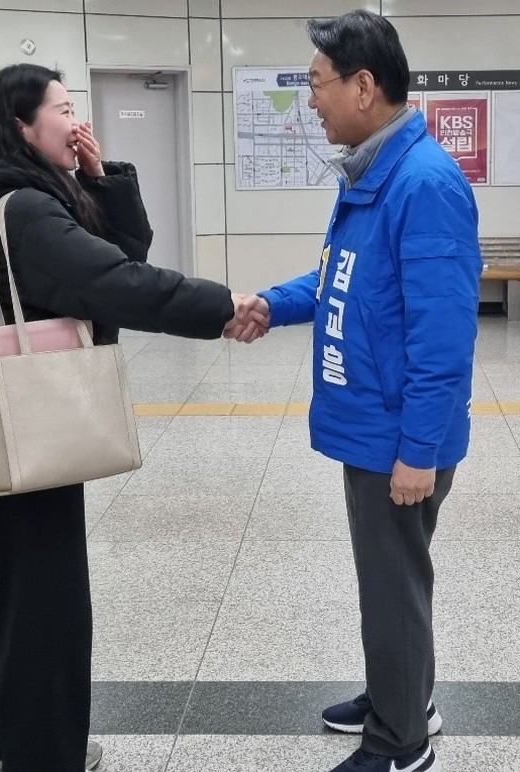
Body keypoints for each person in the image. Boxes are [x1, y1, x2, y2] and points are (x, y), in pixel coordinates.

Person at [0, 63, 244, 772]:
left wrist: (100, 179)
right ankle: (44, 756)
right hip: (27, 418)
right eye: (64, 109)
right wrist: (224, 306)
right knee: (50, 600)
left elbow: (119, 256)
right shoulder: (25, 207)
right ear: (21, 125)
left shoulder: (27, 194)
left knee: (28, 589)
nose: (78, 122)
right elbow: (117, 284)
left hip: (17, 418)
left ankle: (20, 746)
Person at [226, 10, 482, 772]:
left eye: (318, 84)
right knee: (389, 583)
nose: (311, 101)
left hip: (398, 436)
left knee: (393, 585)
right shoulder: (375, 172)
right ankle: (404, 698)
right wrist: (273, 304)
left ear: (364, 86)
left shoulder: (423, 184)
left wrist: (418, 452)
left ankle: (401, 744)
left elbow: (444, 339)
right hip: (374, 425)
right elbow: (341, 278)